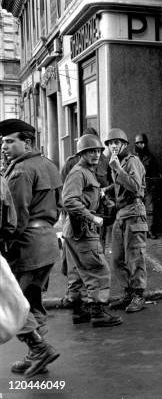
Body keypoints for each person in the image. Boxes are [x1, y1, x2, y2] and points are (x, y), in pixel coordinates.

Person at [0, 118, 62, 377]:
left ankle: (38, 350)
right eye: (3, 142)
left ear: (27, 143)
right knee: (32, 301)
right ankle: (36, 356)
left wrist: (7, 247)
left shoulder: (21, 171)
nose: (4, 147)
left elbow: (15, 217)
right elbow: (58, 207)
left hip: (27, 247)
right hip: (47, 243)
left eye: (9, 141)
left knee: (15, 302)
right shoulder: (48, 164)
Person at [62, 134, 123, 328]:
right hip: (83, 229)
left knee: (81, 271)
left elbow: (85, 195)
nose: (96, 155)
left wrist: (102, 198)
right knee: (98, 270)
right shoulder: (79, 172)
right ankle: (98, 313)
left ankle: (80, 312)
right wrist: (92, 216)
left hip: (77, 229)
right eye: (91, 151)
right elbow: (70, 200)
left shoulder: (87, 171)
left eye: (98, 151)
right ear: (82, 153)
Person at [104, 128, 148, 313]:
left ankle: (139, 294)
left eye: (116, 142)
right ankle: (128, 292)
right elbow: (119, 185)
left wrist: (118, 169)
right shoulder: (118, 162)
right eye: (110, 143)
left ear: (124, 144)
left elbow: (136, 187)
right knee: (117, 259)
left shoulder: (132, 161)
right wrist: (106, 191)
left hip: (134, 211)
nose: (113, 146)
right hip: (121, 213)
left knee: (135, 256)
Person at [134, 133, 162, 239]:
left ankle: (149, 230)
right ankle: (139, 231)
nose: (141, 145)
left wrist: (153, 184)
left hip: (148, 187)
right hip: (136, 187)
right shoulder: (132, 158)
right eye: (138, 143)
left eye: (142, 143)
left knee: (150, 210)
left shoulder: (150, 158)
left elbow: (156, 174)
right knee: (136, 210)